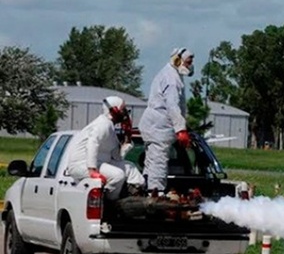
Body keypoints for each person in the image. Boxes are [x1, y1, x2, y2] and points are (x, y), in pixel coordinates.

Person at [138, 47, 195, 192]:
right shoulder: (172, 80)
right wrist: (181, 129)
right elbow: (172, 106)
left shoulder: (171, 74)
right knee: (159, 162)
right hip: (159, 128)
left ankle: (145, 189)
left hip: (155, 126)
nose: (190, 66)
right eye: (188, 62)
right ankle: (156, 194)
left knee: (151, 162)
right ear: (178, 60)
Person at [67, 96, 146, 200]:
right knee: (118, 175)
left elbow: (117, 157)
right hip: (82, 164)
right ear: (114, 110)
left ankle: (137, 197)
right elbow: (92, 143)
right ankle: (111, 202)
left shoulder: (111, 128)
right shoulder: (103, 124)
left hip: (101, 162)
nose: (126, 113)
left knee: (131, 169)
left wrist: (127, 139)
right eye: (123, 109)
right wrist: (92, 170)